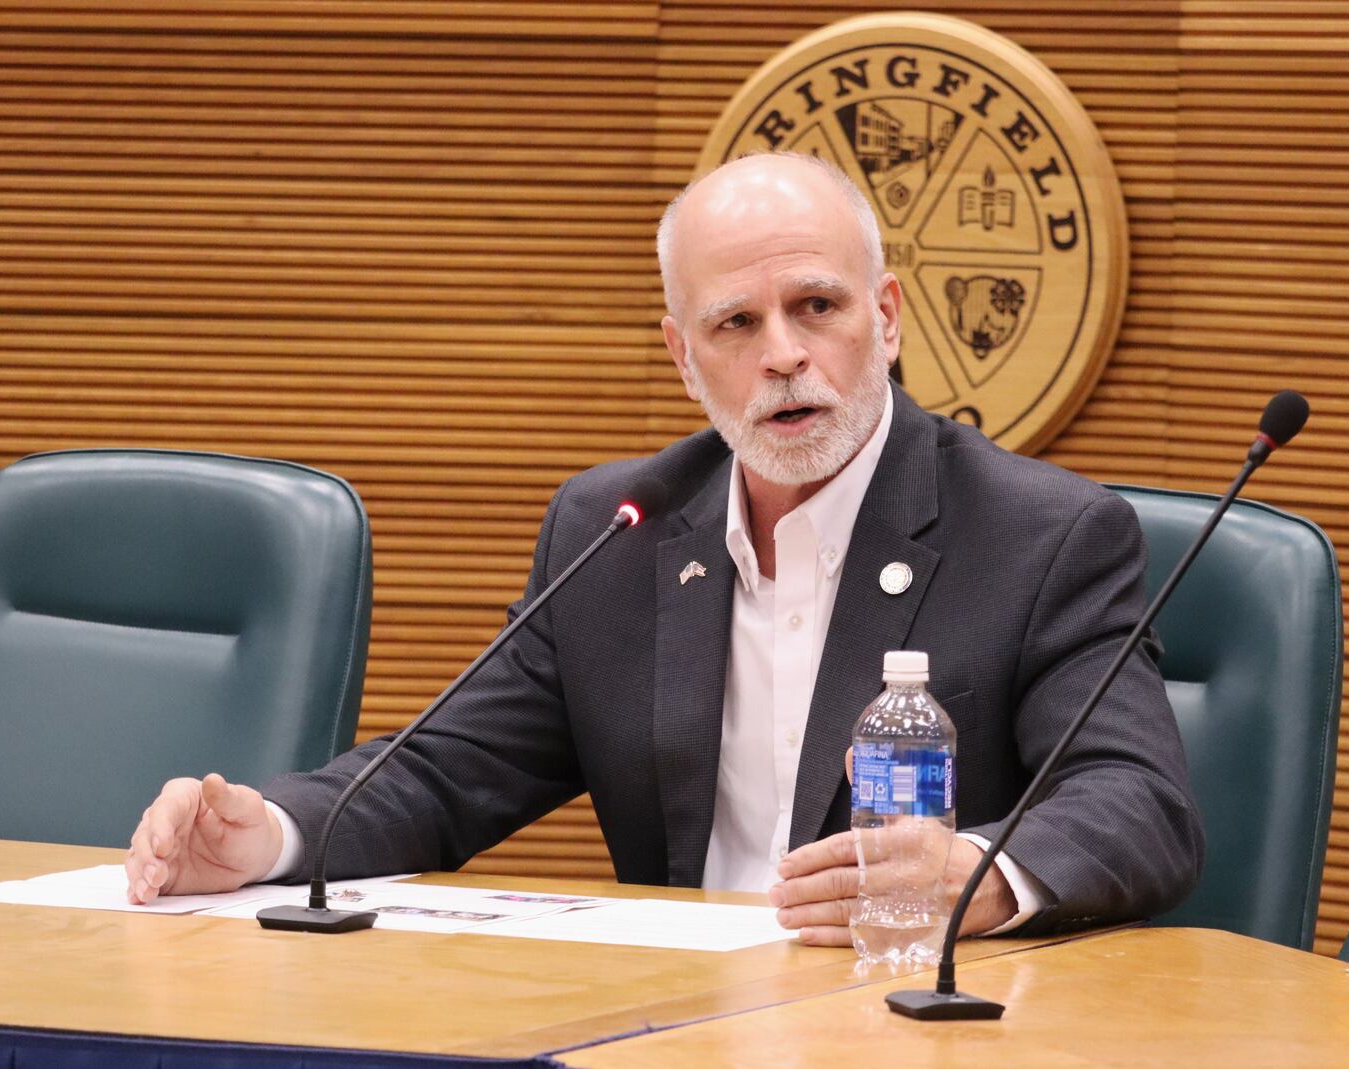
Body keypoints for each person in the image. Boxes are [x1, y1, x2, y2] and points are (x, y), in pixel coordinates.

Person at [124, 152, 1203, 944]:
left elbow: (1136, 801)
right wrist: (265, 835)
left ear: (886, 318)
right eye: (736, 324)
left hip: (909, 1021)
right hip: (675, 1025)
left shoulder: (1041, 533)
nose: (782, 356)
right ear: (683, 358)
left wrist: (972, 870)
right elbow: (449, 770)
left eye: (816, 306)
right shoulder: (619, 529)